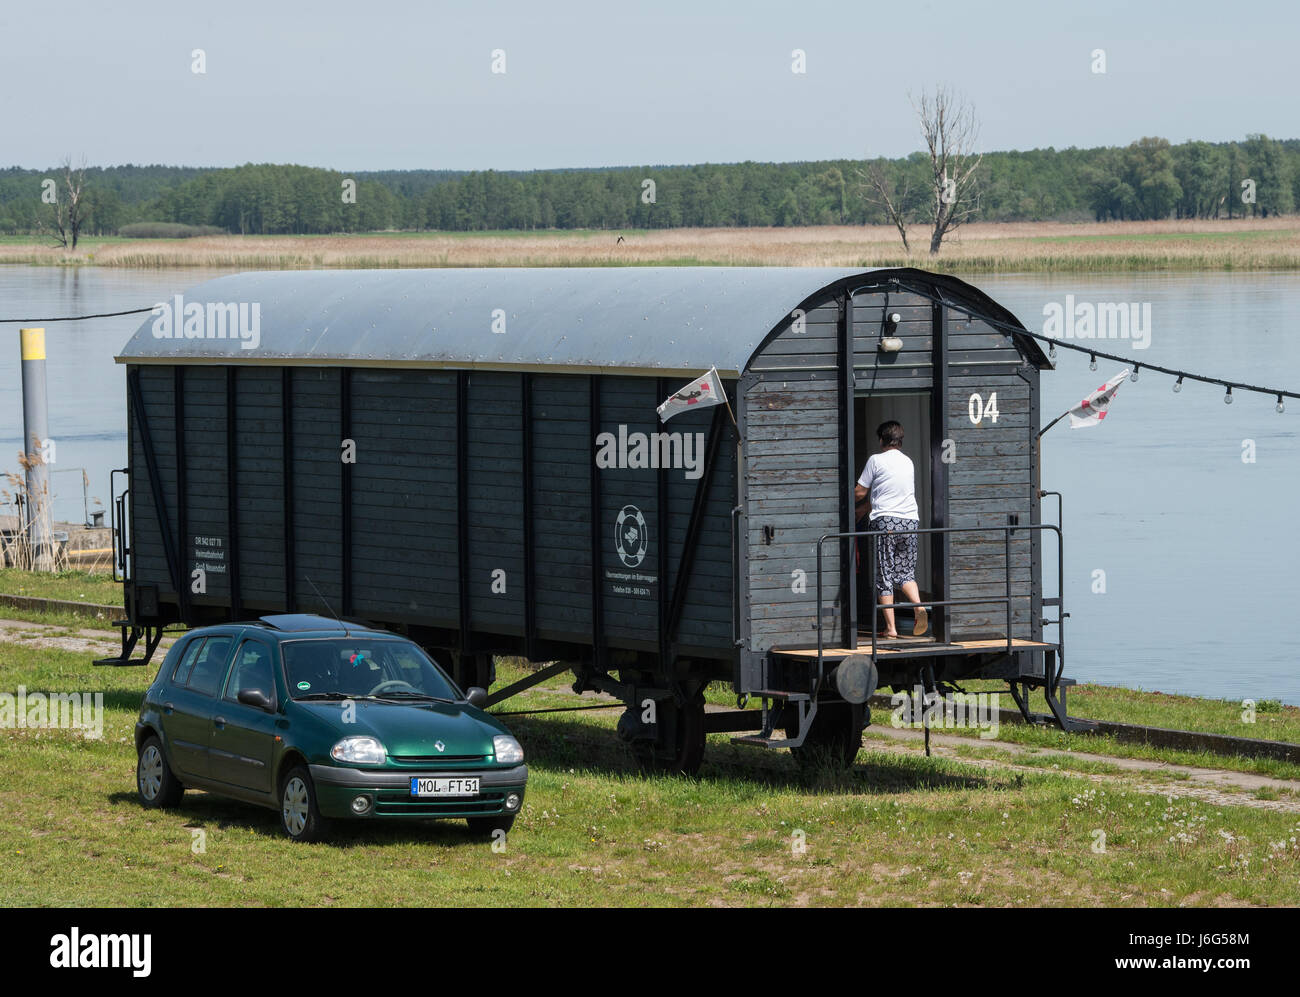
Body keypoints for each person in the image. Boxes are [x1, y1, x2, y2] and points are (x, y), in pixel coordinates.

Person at [854, 420, 928, 638]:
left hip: (886, 524)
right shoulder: (908, 462)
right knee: (905, 572)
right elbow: (888, 492)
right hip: (910, 522)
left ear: (881, 439)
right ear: (900, 440)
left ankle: (891, 628)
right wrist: (865, 509)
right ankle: (918, 606)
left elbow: (860, 492)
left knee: (884, 575)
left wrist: (843, 501)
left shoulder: (876, 460)